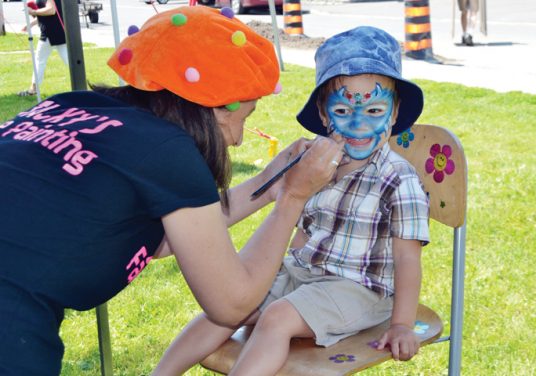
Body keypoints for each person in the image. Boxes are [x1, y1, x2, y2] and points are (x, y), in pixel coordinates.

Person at [0, 7, 345, 375]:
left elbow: (168, 239)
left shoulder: (67, 106)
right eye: (242, 118)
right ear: (210, 107)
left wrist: (270, 183)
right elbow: (231, 305)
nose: (239, 140)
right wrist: (292, 198)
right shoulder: (167, 150)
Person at [154, 26, 430, 376]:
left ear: (394, 114)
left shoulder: (399, 178)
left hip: (361, 290)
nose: (359, 123)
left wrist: (402, 323)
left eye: (375, 111)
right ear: (324, 114)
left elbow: (408, 259)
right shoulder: (316, 165)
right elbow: (306, 229)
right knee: (226, 310)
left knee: (277, 316)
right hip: (304, 274)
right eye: (343, 112)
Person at [18, 0, 68, 96]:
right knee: (69, 61)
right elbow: (46, 13)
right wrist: (30, 25)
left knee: (40, 61)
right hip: (56, 33)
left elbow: (51, 10)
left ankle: (33, 88)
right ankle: (33, 88)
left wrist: (33, 12)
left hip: (51, 33)